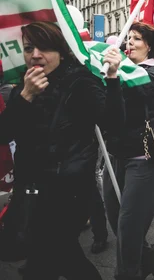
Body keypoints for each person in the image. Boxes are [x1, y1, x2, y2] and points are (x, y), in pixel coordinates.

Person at [0, 22, 123, 280]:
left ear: (61, 51)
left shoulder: (81, 82)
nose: (35, 55)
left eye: (44, 48)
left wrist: (112, 79)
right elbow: (5, 134)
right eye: (29, 48)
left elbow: (114, 125)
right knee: (48, 260)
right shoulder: (22, 87)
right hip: (31, 192)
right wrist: (25, 97)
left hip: (68, 194)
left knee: (60, 255)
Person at [103, 22, 154, 280]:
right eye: (128, 38)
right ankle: (147, 258)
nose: (129, 43)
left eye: (136, 39)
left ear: (150, 45)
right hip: (115, 155)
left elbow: (139, 86)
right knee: (115, 218)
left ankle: (127, 274)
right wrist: (109, 77)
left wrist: (118, 70)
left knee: (129, 227)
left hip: (144, 159)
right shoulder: (121, 71)